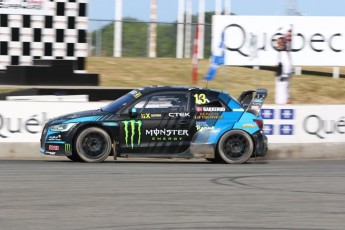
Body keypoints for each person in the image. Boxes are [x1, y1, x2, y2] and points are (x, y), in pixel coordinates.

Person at [275, 31, 293, 104]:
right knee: (281, 91)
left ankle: (284, 102)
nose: (278, 44)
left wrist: (285, 75)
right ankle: (282, 103)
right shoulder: (281, 53)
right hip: (281, 76)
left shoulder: (284, 53)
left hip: (283, 76)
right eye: (277, 43)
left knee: (283, 91)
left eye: (279, 43)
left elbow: (287, 65)